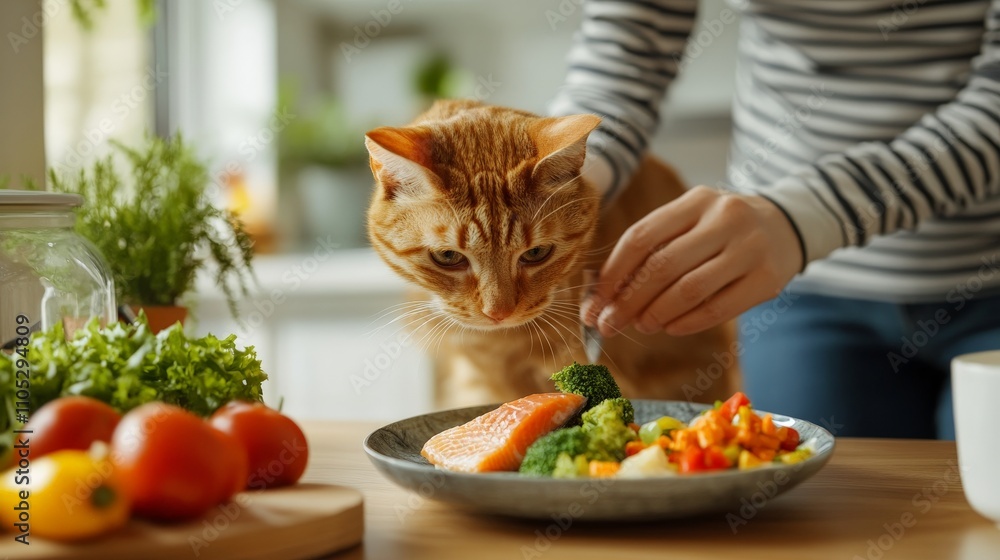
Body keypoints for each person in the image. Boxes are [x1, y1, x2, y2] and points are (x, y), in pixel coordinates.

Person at [552, 0, 1000, 439]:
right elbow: (627, 50)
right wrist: (565, 185)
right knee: (811, 498)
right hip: (796, 290)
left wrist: (803, 218)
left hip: (984, 274)